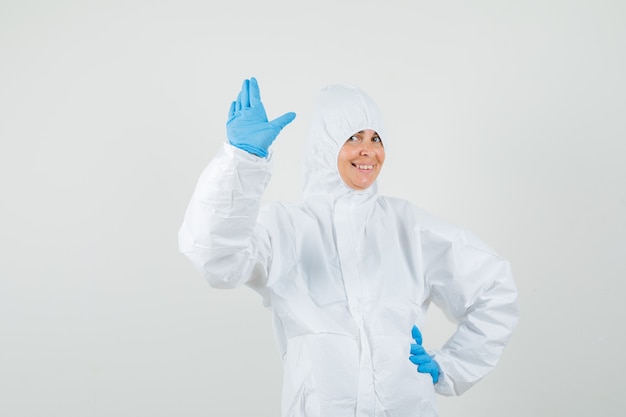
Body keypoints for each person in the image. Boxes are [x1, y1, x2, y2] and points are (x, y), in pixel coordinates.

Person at [178, 77, 519, 417]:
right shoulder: (286, 227)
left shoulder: (408, 227)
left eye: (376, 138)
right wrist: (242, 162)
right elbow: (217, 261)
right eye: (352, 137)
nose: (368, 150)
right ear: (324, 147)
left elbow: (494, 288)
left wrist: (450, 367)